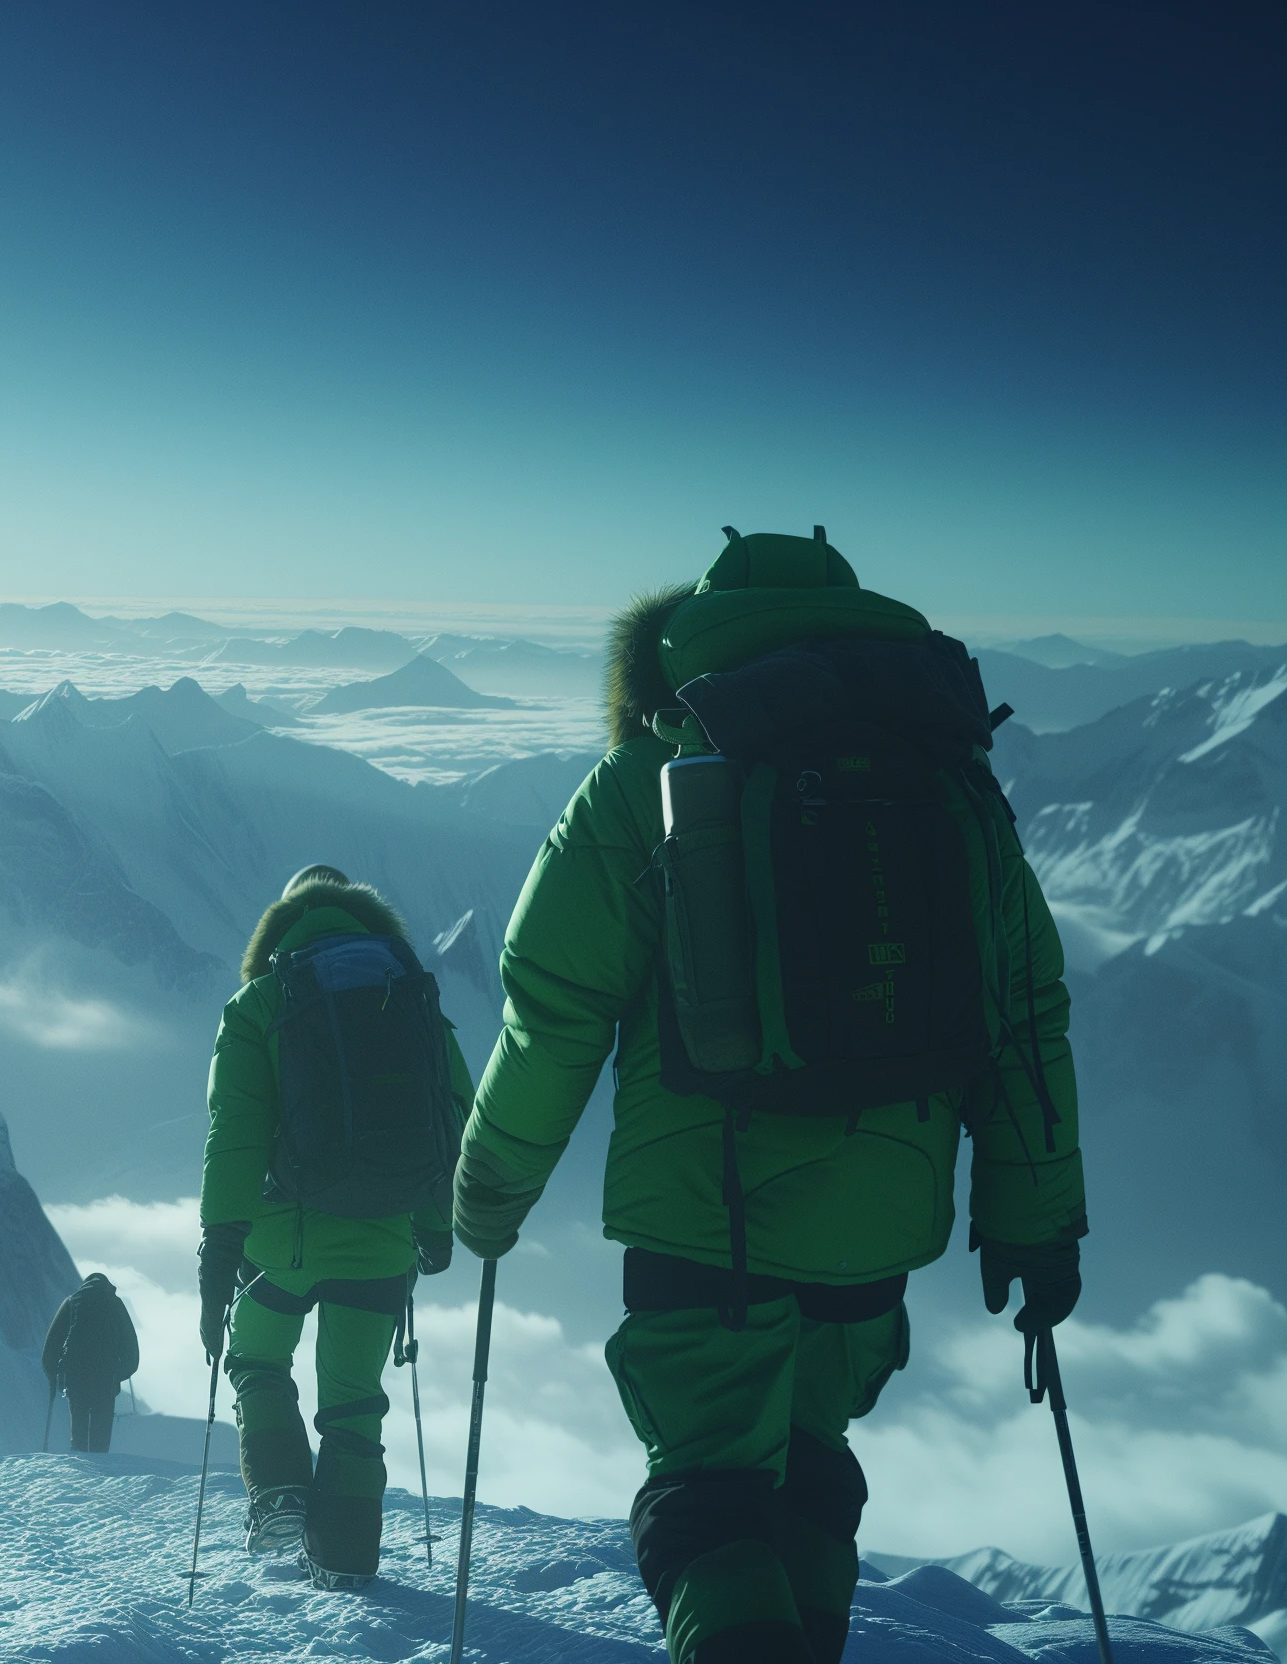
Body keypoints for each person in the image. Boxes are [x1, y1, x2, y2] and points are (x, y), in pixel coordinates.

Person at [451, 529, 1085, 1664]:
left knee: (706, 1500)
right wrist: (1034, 1220)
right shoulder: (954, 785)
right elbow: (1025, 1013)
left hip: (705, 1216)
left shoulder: (644, 781)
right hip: (877, 1230)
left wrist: (489, 1188)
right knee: (805, 1480)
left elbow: (551, 1011)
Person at [196, 865, 470, 1589]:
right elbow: (452, 1121)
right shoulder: (412, 1001)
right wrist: (436, 1227)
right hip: (380, 1243)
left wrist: (218, 1251)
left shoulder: (259, 1004)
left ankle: (280, 1491)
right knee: (353, 1402)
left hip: (278, 1246)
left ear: (281, 927)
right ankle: (346, 1556)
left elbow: (234, 1134)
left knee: (257, 1361)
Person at [42, 1272, 141, 1453]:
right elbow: (131, 1349)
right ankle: (100, 1473)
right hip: (105, 1377)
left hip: (76, 1376)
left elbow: (51, 1346)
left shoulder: (72, 1302)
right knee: (100, 1436)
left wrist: (54, 1376)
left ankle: (80, 1470)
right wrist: (118, 1374)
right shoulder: (115, 1304)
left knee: (78, 1432)